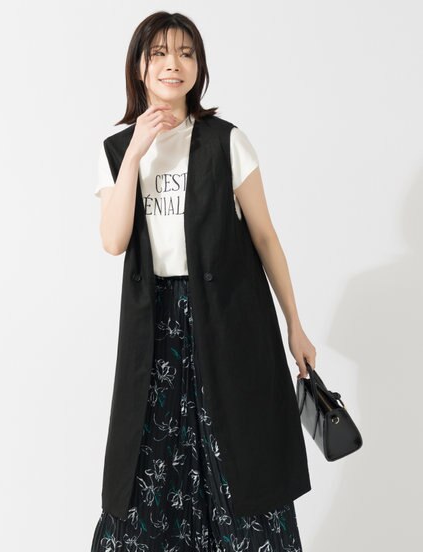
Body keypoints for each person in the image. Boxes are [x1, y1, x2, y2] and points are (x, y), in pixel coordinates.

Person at [91, 11, 316, 552]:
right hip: (156, 326)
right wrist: (137, 153)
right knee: (148, 457)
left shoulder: (226, 141)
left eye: (186, 53)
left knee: (238, 453)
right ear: (140, 67)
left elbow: (265, 238)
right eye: (160, 53)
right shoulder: (117, 151)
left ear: (199, 67)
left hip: (229, 316)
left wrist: (295, 324)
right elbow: (113, 241)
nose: (174, 64)